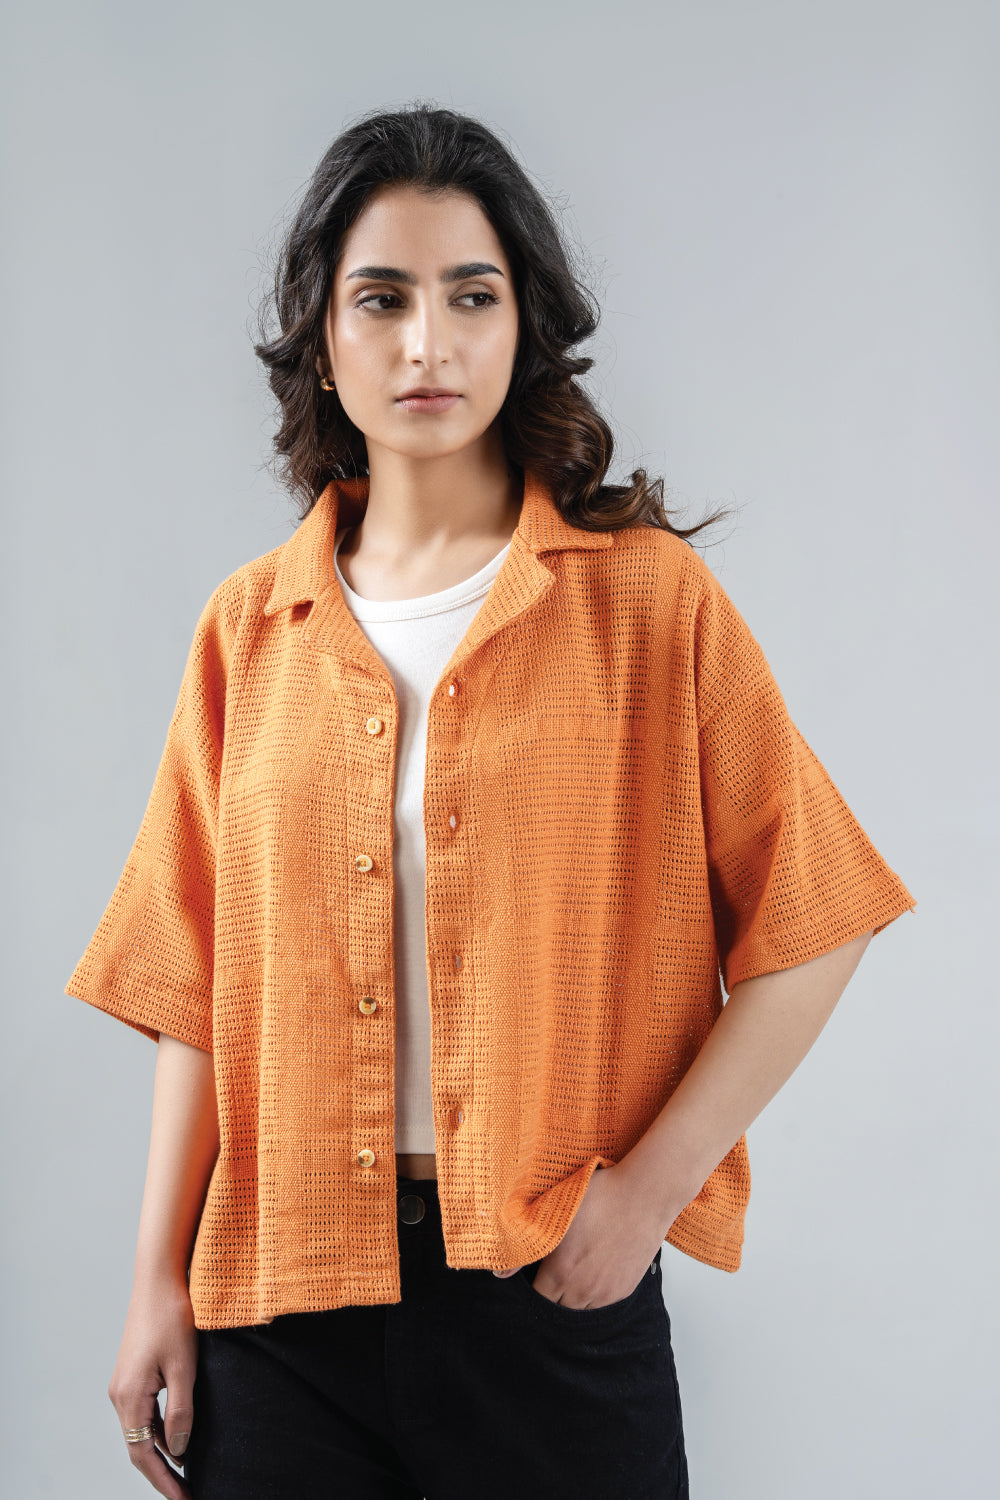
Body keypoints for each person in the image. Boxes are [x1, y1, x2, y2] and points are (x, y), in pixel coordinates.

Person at [64, 104, 915, 1500]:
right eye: (382, 299)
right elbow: (195, 989)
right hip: (278, 1308)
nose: (427, 344)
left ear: (525, 326)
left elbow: (819, 916)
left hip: (547, 1295)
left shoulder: (647, 607)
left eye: (472, 297)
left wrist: (645, 1199)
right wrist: (155, 1280)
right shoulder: (249, 630)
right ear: (321, 336)